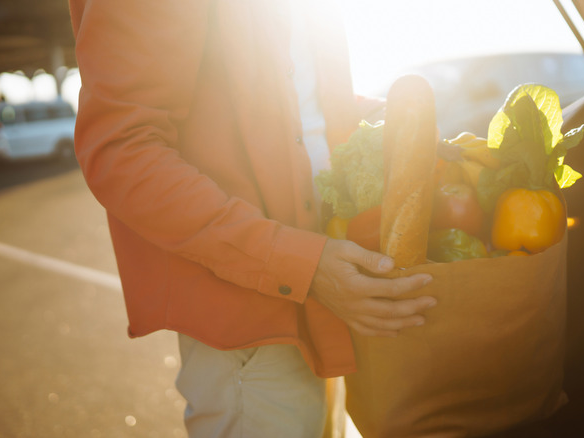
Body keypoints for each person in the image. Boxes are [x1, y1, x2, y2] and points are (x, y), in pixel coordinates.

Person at [69, 1, 437, 436]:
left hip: (330, 300)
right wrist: (303, 264)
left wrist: (402, 122)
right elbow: (121, 151)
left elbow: (300, 108)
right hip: (250, 329)